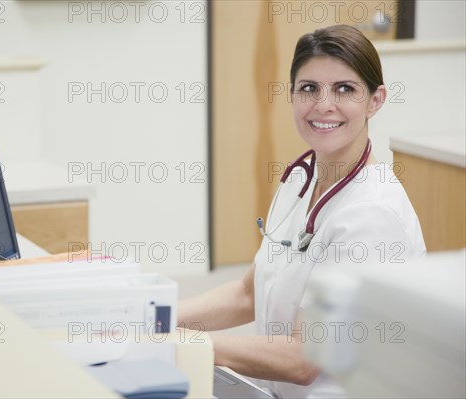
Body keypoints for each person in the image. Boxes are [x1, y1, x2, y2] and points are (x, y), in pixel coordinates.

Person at [178, 25, 426, 398]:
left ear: (375, 100)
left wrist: (172, 343)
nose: (323, 104)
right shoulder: (300, 178)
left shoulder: (372, 215)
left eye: (345, 89)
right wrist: (151, 316)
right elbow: (248, 294)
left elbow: (304, 358)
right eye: (309, 88)